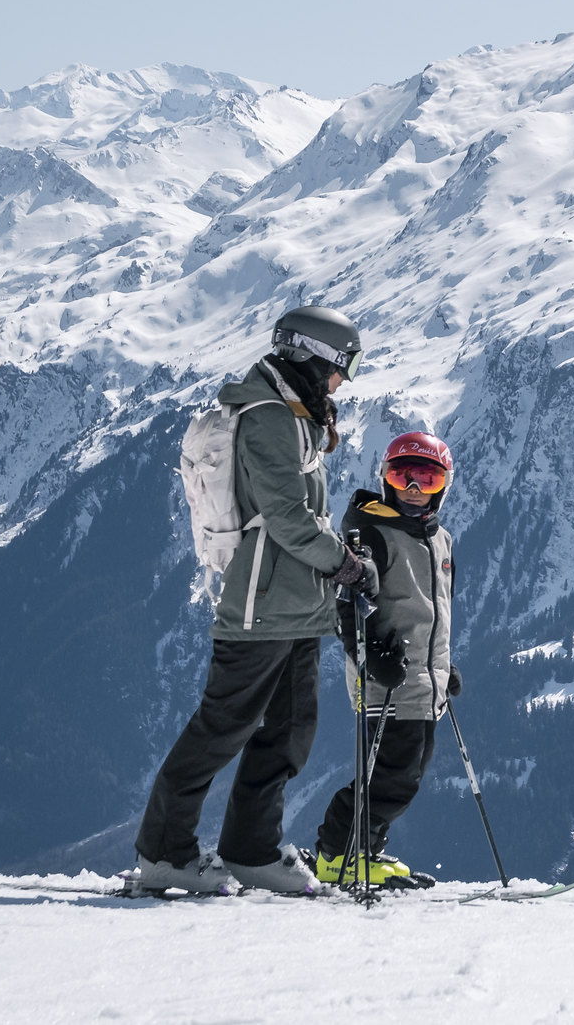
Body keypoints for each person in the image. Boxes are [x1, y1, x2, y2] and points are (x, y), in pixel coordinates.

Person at [133, 305, 375, 895]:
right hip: (260, 604)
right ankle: (163, 852)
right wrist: (343, 562)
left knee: (290, 732)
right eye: (341, 368)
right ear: (312, 357)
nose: (342, 381)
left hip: (298, 604)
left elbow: (300, 515)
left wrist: (335, 561)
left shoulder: (294, 413)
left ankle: (250, 850)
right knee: (223, 726)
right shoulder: (268, 416)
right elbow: (287, 517)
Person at [313, 431, 459, 888]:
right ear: (385, 479)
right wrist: (372, 655)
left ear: (443, 486)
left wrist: (443, 667)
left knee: (405, 774)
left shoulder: (440, 540)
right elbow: (346, 605)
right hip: (386, 678)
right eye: (403, 476)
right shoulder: (372, 533)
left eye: (427, 479)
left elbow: (432, 613)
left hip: (423, 682)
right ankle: (338, 856)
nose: (414, 489)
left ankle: (364, 849)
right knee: (391, 776)